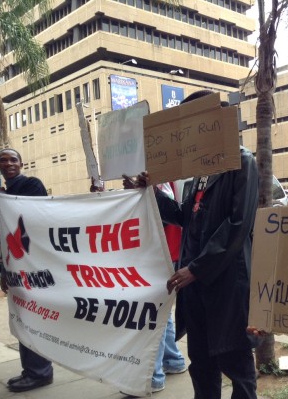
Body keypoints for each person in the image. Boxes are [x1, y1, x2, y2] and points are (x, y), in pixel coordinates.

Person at [127, 90, 259, 399]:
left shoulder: (242, 161)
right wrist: (150, 192)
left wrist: (196, 269)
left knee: (237, 365)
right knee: (201, 364)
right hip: (196, 287)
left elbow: (238, 225)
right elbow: (184, 217)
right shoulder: (199, 170)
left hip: (225, 285)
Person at [89, 179, 187, 394]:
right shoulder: (154, 176)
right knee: (160, 311)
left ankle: (152, 376)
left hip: (160, 254)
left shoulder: (156, 178)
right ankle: (173, 360)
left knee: (152, 312)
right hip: (160, 253)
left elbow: (165, 213)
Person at [0, 148, 54, 392]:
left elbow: (34, 216)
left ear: (21, 163)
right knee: (22, 319)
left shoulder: (31, 185)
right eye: (3, 160)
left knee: (33, 318)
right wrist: (3, 270)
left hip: (34, 268)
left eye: (13, 159)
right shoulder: (4, 194)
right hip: (14, 268)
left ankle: (40, 372)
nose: (8, 163)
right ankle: (32, 370)